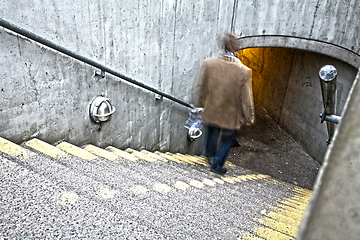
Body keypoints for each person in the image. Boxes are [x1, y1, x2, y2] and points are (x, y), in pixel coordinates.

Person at [198, 32, 255, 175]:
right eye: (238, 43)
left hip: (213, 108)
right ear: (232, 46)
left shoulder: (210, 64)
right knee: (228, 139)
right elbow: (246, 97)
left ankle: (210, 156)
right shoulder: (243, 71)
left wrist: (201, 104)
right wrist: (248, 117)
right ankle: (216, 165)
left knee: (212, 131)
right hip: (231, 113)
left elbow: (203, 87)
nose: (240, 46)